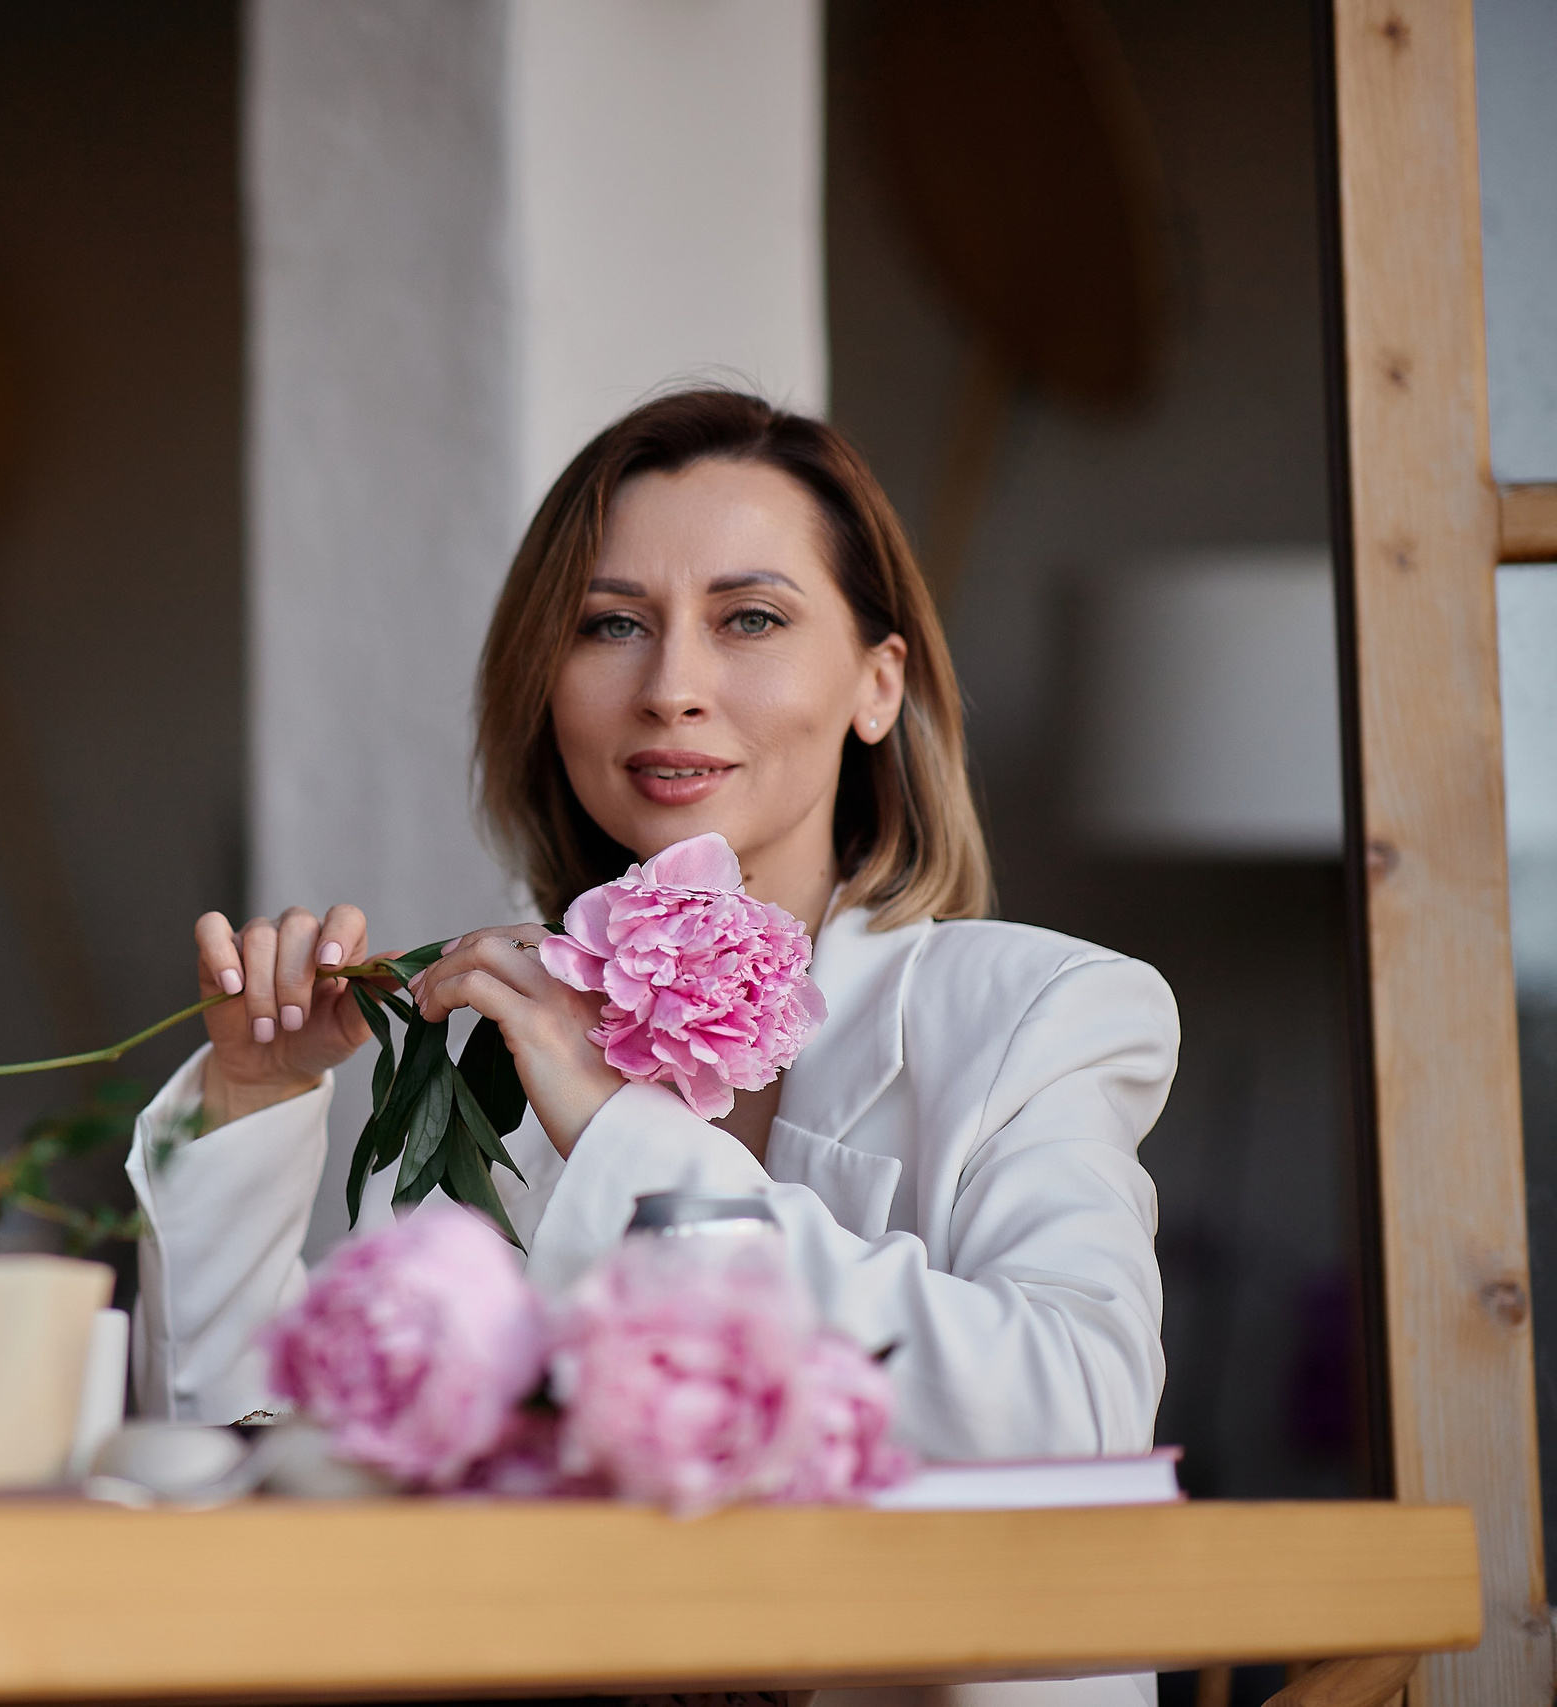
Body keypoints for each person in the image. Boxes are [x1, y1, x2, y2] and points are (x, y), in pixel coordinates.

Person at [123, 388, 1178, 1705]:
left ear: (877, 684)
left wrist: (623, 1137)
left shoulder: (1040, 1014)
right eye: (610, 625)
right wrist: (251, 1100)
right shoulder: (487, 1060)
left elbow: (1071, 1424)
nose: (672, 687)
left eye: (752, 618)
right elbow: (247, 1520)